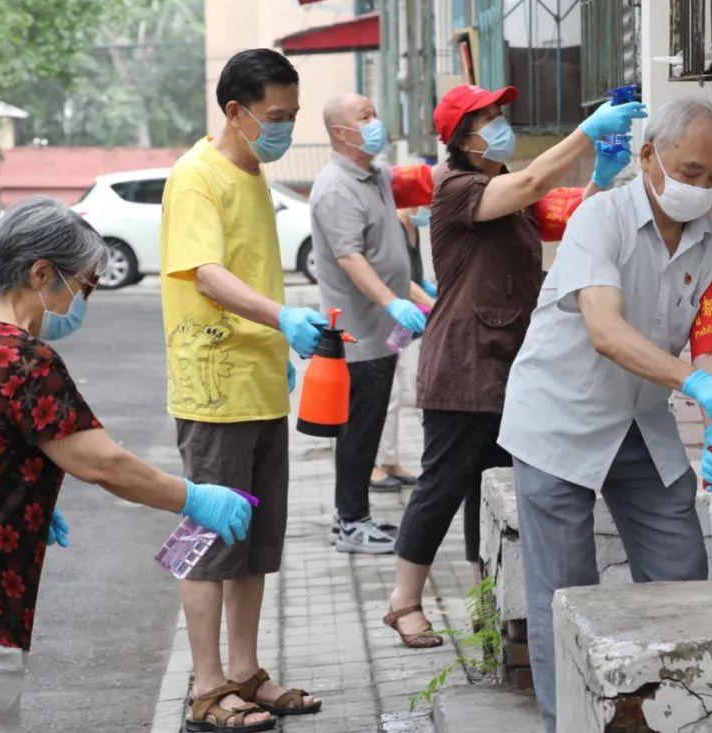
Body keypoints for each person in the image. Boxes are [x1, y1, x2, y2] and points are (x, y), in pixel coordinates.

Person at [0, 197, 261, 733]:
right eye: (83, 284)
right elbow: (104, 464)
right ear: (41, 273)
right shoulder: (21, 355)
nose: (84, 299)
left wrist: (20, 493)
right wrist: (194, 498)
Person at [497, 97, 712, 732]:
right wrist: (693, 383)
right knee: (568, 595)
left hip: (640, 422)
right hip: (559, 421)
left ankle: (676, 712)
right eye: (691, 171)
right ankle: (573, 722)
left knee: (681, 573)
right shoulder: (598, 221)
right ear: (647, 156)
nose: (702, 189)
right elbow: (605, 330)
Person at [383, 83, 646, 648]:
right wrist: (587, 131)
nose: (502, 125)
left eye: (503, 115)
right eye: (490, 119)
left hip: (509, 366)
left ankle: (488, 601)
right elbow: (531, 181)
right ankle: (403, 602)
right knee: (443, 484)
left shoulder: (503, 191)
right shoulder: (455, 187)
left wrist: (601, 177)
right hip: (462, 364)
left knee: (496, 489)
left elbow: (568, 223)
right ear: (462, 137)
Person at [159, 48, 323, 729]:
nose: (284, 128)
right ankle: (205, 687)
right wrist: (283, 316)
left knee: (253, 544)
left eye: (292, 115)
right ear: (236, 110)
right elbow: (207, 274)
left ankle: (245, 670)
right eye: (275, 116)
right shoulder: (197, 176)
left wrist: (278, 345)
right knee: (205, 539)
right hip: (214, 389)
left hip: (258, 385)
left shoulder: (252, 169)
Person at [309, 92, 431, 553]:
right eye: (366, 116)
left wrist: (415, 297)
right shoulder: (335, 187)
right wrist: (390, 302)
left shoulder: (374, 175)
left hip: (383, 331)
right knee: (359, 432)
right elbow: (351, 259)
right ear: (341, 132)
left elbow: (387, 252)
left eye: (374, 112)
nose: (376, 121)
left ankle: (354, 518)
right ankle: (350, 522)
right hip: (359, 336)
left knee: (370, 426)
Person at [370, 206, 436, 492]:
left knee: (396, 395)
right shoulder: (392, 228)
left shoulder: (414, 229)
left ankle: (390, 459)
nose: (426, 207)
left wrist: (430, 290)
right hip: (384, 318)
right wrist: (434, 305)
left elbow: (415, 276)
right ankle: (371, 464)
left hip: (404, 326)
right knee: (383, 394)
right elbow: (399, 280)